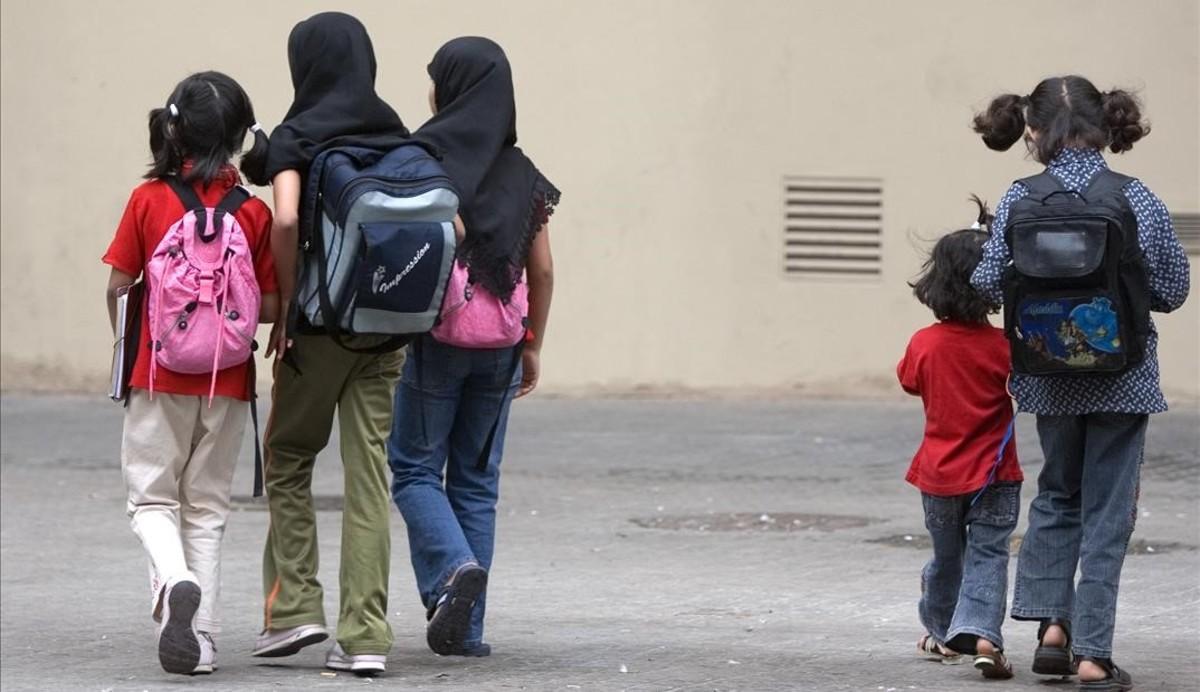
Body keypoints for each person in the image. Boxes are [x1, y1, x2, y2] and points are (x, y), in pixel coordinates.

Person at [971, 75, 1190, 691]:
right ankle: (1094, 654)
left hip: (1047, 376)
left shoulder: (1019, 197)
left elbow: (988, 283)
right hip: (1123, 378)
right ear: (1105, 125)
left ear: (1032, 130)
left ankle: (1052, 630)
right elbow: (1172, 290)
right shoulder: (1136, 196)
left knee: (1057, 495)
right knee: (1108, 512)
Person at [388, 36, 560, 657]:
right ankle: (470, 630)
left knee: (412, 469)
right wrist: (533, 344)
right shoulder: (522, 172)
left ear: (452, 88)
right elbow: (541, 271)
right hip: (503, 347)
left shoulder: (426, 157)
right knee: (476, 483)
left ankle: (450, 573)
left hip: (437, 338)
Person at [102, 71, 278, 675]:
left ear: (173, 131)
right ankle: (200, 646)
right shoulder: (252, 213)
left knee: (151, 499)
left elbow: (119, 285)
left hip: (158, 375)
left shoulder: (148, 201)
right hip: (227, 381)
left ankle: (174, 580)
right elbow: (270, 305)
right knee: (206, 508)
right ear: (236, 140)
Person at [252, 12, 410, 677]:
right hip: (389, 328)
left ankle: (294, 611)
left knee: (289, 457)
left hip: (318, 330)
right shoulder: (396, 131)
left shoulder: (298, 134)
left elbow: (285, 215)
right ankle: (366, 635)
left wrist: (286, 304)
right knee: (369, 471)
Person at [898, 199, 1023, 680]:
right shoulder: (1002, 347)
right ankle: (986, 636)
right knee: (990, 554)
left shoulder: (923, 344)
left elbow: (910, 382)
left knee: (947, 557)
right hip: (996, 473)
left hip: (939, 474)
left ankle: (943, 633)